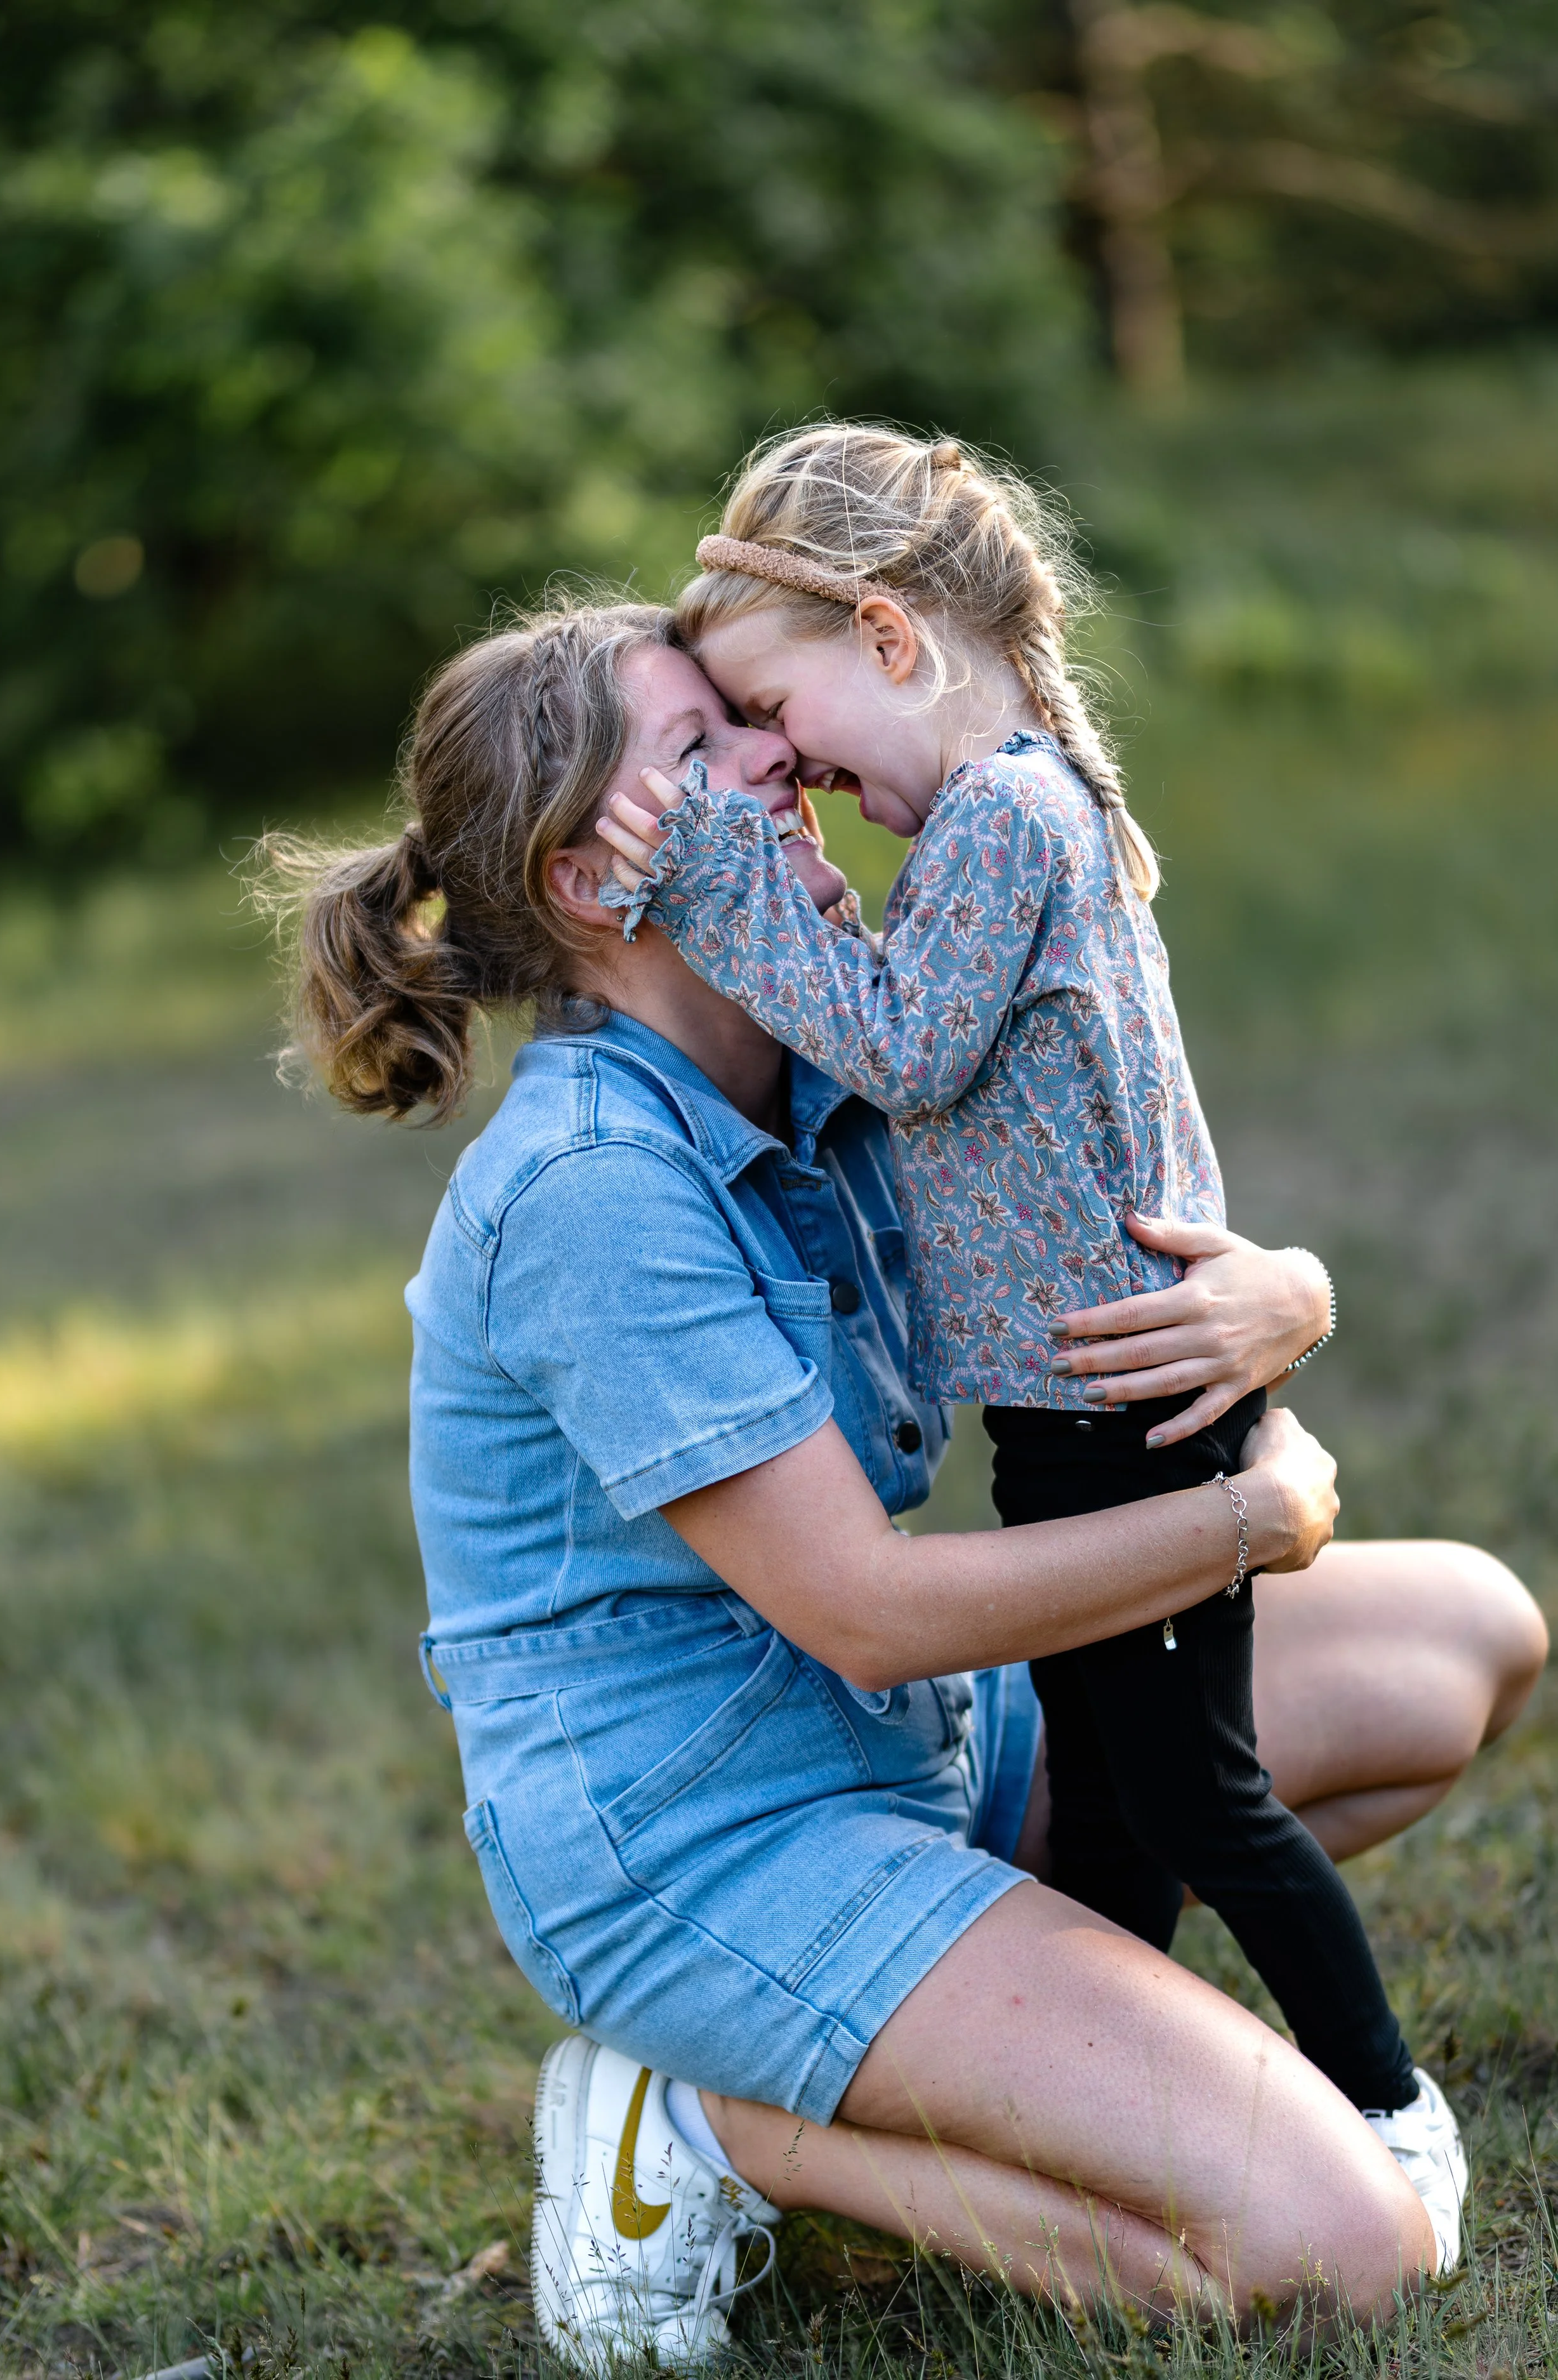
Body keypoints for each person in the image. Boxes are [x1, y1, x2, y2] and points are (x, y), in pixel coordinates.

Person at [261, 595, 1546, 2368]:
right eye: (703, 751)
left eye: (753, 719)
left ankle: (1026, 2015)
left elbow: (1108, 1205)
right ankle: (717, 2124)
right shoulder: (590, 1186)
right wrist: (1243, 1523)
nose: (780, 757)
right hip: (711, 1837)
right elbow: (862, 1611)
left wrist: (1288, 1293)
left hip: (926, 1739)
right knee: (1345, 2248)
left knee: (1464, 1637)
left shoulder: (846, 1055)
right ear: (590, 880)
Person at [596, 424, 1437, 2205]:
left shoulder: (1000, 812)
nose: (793, 776)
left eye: (785, 717)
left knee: (1198, 1795)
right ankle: (1123, 2093)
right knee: (1123, 1806)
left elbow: (896, 1047)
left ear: (888, 637)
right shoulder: (1034, 794)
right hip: (1086, 1407)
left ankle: (1383, 2109)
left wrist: (708, 872)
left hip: (1124, 1415)